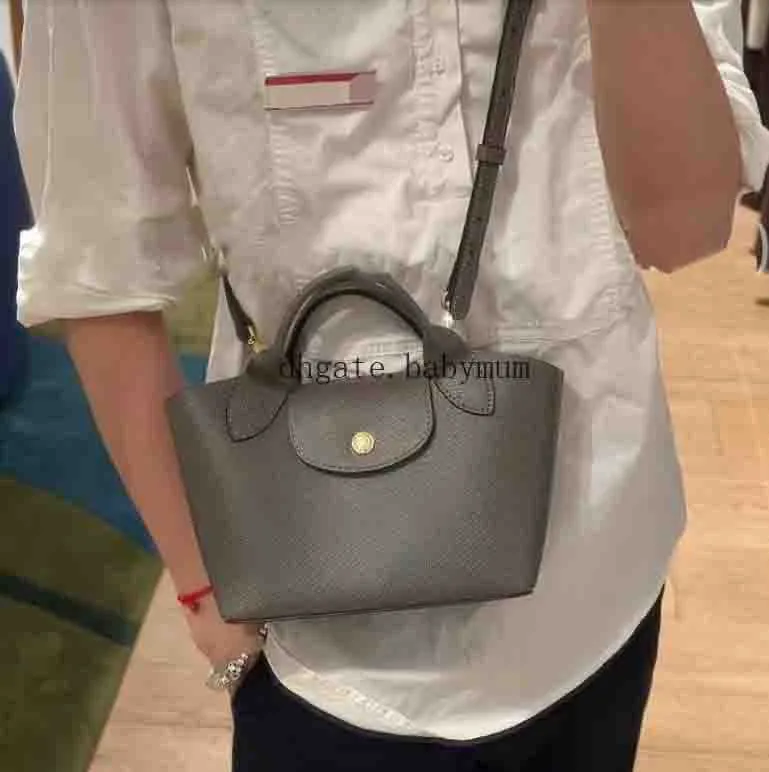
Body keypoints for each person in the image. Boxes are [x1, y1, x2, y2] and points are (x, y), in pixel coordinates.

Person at [13, 1, 769, 770]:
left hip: (597, 563)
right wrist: (204, 596)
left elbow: (686, 228)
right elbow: (99, 264)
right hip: (315, 616)